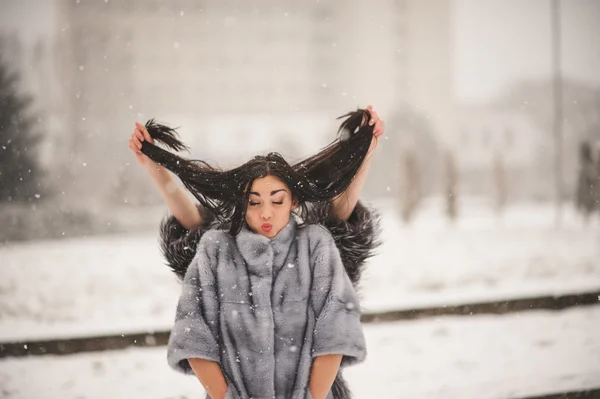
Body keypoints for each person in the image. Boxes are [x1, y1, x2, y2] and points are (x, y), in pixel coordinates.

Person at [128, 107, 385, 399]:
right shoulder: (216, 250)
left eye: (277, 201)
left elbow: (336, 331)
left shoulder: (316, 246)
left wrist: (366, 148)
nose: (266, 212)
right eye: (254, 202)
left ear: (293, 202)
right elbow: (194, 335)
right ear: (242, 204)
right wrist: (154, 167)